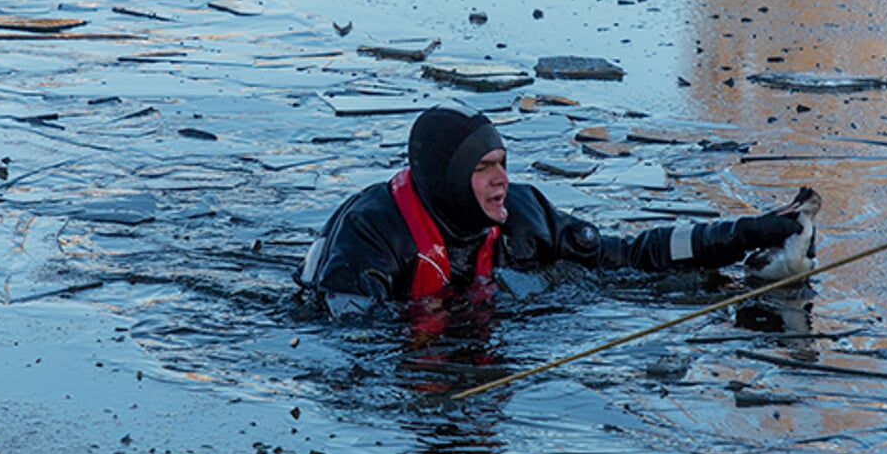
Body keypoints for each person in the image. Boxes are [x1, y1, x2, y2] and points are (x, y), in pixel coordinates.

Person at [299, 103, 813, 315]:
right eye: (482, 169)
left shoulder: (525, 216)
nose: (502, 180)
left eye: (503, 163)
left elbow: (631, 257)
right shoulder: (371, 234)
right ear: (447, 181)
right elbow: (349, 338)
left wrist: (747, 233)